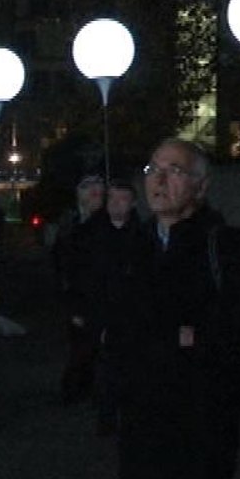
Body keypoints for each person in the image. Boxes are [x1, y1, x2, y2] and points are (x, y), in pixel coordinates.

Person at [113, 138, 240, 479]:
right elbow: (123, 329)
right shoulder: (136, 245)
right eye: (154, 168)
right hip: (144, 429)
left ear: (200, 186)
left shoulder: (218, 246)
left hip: (197, 431)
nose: (159, 180)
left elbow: (234, 332)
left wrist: (192, 338)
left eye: (175, 171)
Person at [85, 179, 141, 436]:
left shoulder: (142, 235)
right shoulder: (92, 232)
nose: (116, 204)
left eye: (122, 199)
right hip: (102, 310)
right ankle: (106, 418)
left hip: (132, 312)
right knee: (106, 369)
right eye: (113, 199)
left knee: (133, 368)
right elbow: (82, 273)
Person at [52, 174, 105, 405]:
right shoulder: (71, 225)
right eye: (87, 188)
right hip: (78, 294)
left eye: (97, 188)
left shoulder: (106, 223)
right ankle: (77, 389)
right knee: (81, 345)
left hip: (99, 293)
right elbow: (61, 262)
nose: (94, 193)